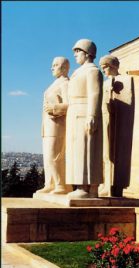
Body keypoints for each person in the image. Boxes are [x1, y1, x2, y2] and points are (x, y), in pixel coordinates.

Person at [66, 39, 103, 198]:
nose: (75, 55)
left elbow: (95, 93)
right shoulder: (79, 71)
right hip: (74, 112)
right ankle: (80, 185)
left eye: (78, 51)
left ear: (87, 53)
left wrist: (92, 115)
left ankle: (86, 187)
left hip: (85, 111)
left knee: (85, 149)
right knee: (76, 150)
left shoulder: (92, 71)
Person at [99, 54, 134, 197]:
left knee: (115, 154)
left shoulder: (126, 80)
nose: (103, 71)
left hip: (118, 123)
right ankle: (104, 184)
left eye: (105, 67)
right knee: (104, 154)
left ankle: (113, 186)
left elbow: (127, 104)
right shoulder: (104, 83)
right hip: (105, 120)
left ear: (112, 66)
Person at [36, 57, 70, 194]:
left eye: (55, 65)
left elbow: (70, 105)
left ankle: (61, 185)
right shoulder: (54, 84)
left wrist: (55, 108)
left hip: (58, 125)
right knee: (48, 156)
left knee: (54, 155)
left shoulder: (66, 84)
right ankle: (50, 183)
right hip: (48, 125)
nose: (52, 68)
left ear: (64, 68)